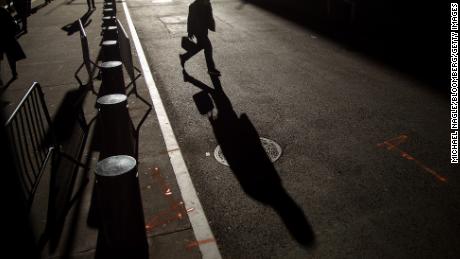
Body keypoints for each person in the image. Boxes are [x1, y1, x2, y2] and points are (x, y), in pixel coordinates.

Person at [179, 0, 221, 76]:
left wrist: (211, 25)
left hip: (203, 30)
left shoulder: (206, 3)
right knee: (208, 48)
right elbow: (190, 19)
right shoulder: (193, 6)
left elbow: (209, 16)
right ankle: (211, 69)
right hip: (198, 31)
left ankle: (184, 57)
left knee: (200, 46)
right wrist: (190, 31)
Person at [0, 7, 26, 79]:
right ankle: (14, 72)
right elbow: (11, 20)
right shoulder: (2, 10)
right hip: (7, 36)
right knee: (11, 56)